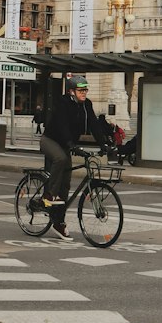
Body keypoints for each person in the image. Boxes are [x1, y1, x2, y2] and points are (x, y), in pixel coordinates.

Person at [40, 76, 110, 242]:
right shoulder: (63, 103)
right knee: (60, 159)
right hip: (50, 140)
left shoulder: (87, 105)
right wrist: (71, 145)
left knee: (66, 186)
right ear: (71, 92)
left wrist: (104, 144)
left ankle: (58, 222)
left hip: (67, 144)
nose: (84, 93)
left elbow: (94, 124)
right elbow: (62, 125)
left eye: (85, 90)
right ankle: (49, 195)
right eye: (81, 90)